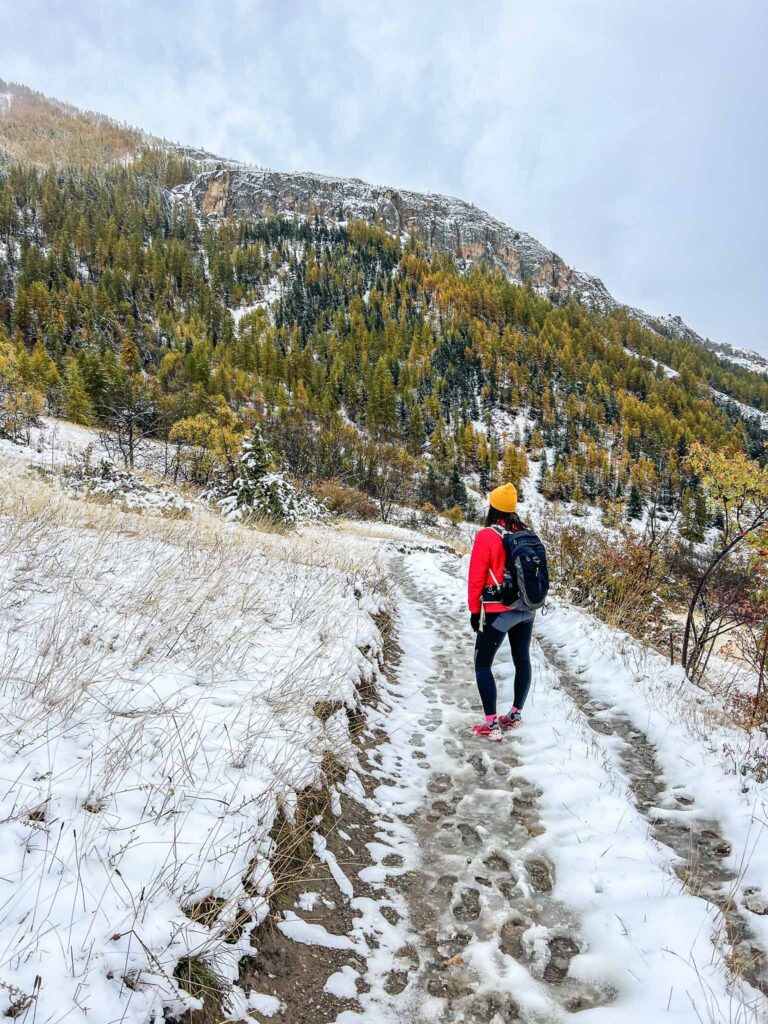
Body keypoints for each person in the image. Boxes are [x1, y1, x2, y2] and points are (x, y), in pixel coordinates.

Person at [467, 483, 535, 740]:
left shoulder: (487, 535)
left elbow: (476, 577)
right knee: (522, 660)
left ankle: (491, 724)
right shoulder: (524, 533)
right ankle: (515, 715)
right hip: (527, 609)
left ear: (493, 507)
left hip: (499, 610)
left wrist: (475, 611)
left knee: (482, 664)